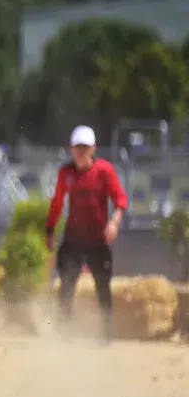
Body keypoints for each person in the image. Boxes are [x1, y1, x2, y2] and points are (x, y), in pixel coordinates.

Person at [45, 125, 128, 342]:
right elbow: (56, 203)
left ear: (93, 148)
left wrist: (114, 222)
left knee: (102, 287)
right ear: (71, 149)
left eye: (85, 147)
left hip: (97, 240)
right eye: (77, 147)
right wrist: (50, 230)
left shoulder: (104, 171)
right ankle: (64, 333)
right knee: (66, 285)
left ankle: (105, 334)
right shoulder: (65, 173)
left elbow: (120, 199)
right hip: (73, 239)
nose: (80, 152)